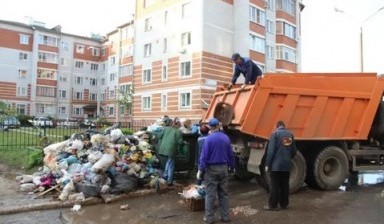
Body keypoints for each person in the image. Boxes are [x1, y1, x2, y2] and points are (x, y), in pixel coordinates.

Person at [197, 118, 235, 224]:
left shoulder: (208, 139)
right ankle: (225, 217)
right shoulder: (226, 138)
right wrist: (232, 166)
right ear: (218, 126)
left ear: (210, 127)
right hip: (223, 168)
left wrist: (200, 169)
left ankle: (209, 218)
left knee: (210, 194)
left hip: (211, 170)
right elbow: (230, 154)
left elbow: (204, 156)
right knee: (223, 194)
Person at [264, 120, 297, 211]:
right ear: (284, 126)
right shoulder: (290, 135)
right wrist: (287, 158)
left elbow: (270, 152)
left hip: (276, 166)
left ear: (277, 126)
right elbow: (294, 151)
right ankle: (284, 204)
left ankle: (273, 206)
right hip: (286, 166)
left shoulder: (275, 135)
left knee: (274, 186)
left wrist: (268, 164)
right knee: (285, 185)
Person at [158, 117, 184, 186]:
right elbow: (180, 142)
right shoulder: (178, 131)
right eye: (179, 124)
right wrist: (184, 142)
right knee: (171, 164)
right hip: (171, 150)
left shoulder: (166, 128)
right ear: (177, 124)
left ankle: (165, 176)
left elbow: (159, 136)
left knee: (169, 162)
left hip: (164, 149)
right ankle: (169, 181)